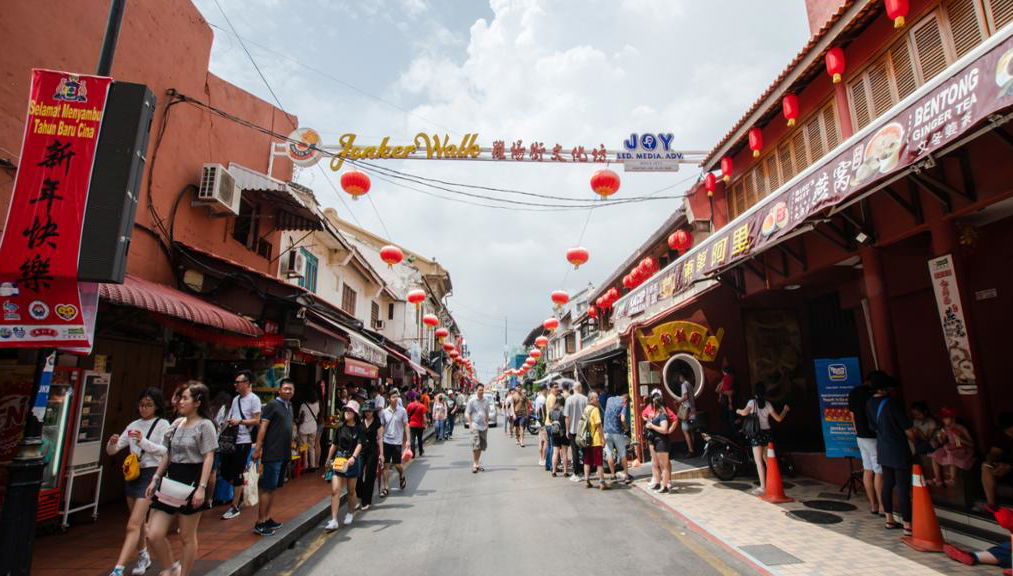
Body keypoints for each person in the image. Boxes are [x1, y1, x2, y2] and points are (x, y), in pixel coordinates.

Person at [145, 382, 217, 576]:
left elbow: (209, 457)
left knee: (186, 536)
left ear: (197, 402)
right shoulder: (176, 424)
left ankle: (183, 573)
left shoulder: (205, 425)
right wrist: (155, 478)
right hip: (171, 479)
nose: (180, 402)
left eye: (185, 398)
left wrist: (202, 487)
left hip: (192, 479)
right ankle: (171, 567)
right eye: (180, 398)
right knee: (154, 533)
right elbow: (167, 454)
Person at [106, 388, 170, 576]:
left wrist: (142, 441)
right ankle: (143, 555)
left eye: (148, 405)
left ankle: (119, 568)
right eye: (141, 405)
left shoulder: (163, 424)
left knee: (132, 524)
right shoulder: (133, 424)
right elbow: (113, 450)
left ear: (157, 406)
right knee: (139, 522)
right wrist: (112, 443)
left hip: (151, 473)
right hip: (133, 474)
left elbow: (164, 451)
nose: (144, 408)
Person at [865, 372, 914, 535]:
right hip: (898, 449)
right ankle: (907, 524)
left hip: (883, 448)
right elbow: (908, 429)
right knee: (903, 487)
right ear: (884, 388)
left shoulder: (869, 403)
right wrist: (917, 442)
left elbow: (872, 427)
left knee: (888, 484)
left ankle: (889, 519)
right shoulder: (892, 404)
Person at [252, 379, 294, 536]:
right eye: (285, 388)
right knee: (267, 488)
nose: (288, 391)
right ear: (279, 390)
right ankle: (260, 522)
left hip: (283, 453)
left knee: (273, 488)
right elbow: (263, 428)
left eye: (290, 389)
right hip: (272, 453)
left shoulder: (289, 406)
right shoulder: (272, 405)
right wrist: (258, 448)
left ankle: (267, 518)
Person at [221, 370, 262, 521]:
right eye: (236, 382)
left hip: (244, 440)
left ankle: (234, 506)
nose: (236, 385)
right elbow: (232, 415)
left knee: (237, 472)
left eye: (238, 382)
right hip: (232, 439)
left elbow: (257, 420)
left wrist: (240, 422)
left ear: (247, 383)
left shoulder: (254, 399)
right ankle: (240, 491)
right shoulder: (235, 399)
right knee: (225, 471)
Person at [737, 382, 790, 496]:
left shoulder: (752, 402)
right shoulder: (768, 404)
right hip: (767, 434)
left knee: (759, 462)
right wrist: (785, 410)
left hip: (756, 434)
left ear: (755, 392)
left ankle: (763, 487)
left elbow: (744, 413)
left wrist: (738, 411)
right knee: (768, 460)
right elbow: (779, 419)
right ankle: (773, 483)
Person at [324, 400, 365, 531]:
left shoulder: (360, 428)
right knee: (335, 490)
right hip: (339, 459)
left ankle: (350, 512)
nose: (347, 412)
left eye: (350, 410)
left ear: (355, 414)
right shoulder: (340, 427)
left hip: (352, 461)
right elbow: (334, 444)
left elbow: (360, 444)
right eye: (346, 410)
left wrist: (353, 457)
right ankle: (334, 520)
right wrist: (328, 459)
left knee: (351, 491)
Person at [848, 372, 883, 516]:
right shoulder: (872, 395)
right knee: (879, 471)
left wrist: (856, 429)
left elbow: (851, 414)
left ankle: (873, 505)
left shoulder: (853, 393)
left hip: (860, 436)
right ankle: (882, 506)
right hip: (872, 436)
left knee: (867, 470)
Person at [929, 407, 975, 487]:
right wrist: (939, 436)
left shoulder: (961, 428)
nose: (943, 420)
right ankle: (938, 479)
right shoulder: (945, 428)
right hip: (949, 447)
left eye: (946, 418)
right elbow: (942, 442)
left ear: (953, 418)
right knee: (935, 455)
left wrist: (961, 439)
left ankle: (953, 479)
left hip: (961, 448)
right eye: (943, 418)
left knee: (951, 454)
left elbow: (972, 444)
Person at [643, 390, 675, 493]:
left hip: (661, 440)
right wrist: (648, 422)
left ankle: (665, 484)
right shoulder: (654, 411)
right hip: (654, 440)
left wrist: (653, 426)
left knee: (664, 465)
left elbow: (665, 428)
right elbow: (643, 415)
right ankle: (658, 483)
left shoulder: (663, 414)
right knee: (656, 462)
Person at [355, 400, 383, 511]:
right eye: (366, 411)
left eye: (369, 411)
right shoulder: (360, 421)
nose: (367, 413)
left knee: (369, 476)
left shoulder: (377, 422)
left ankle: (366, 501)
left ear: (373, 411)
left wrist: (381, 454)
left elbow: (380, 439)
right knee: (358, 474)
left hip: (372, 450)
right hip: (361, 450)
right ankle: (360, 496)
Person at [381, 389, 409, 497]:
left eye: (397, 397)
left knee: (398, 465)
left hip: (397, 442)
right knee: (386, 465)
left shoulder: (402, 411)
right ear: (389, 399)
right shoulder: (384, 412)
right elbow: (382, 426)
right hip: (386, 441)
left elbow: (406, 425)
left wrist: (408, 440)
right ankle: (386, 488)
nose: (395, 399)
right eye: (393, 397)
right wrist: (380, 439)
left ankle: (401, 475)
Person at [982, 413, 1013, 510]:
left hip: (1010, 466)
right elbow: (994, 453)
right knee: (985, 466)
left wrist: (1010, 466)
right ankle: (991, 504)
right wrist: (991, 462)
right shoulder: (1001, 436)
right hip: (1005, 467)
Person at [603, 390, 633, 485]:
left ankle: (613, 475)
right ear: (626, 400)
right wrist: (626, 427)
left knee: (609, 454)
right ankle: (626, 476)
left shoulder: (610, 399)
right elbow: (622, 419)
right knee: (622, 454)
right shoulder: (624, 403)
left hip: (606, 431)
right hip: (617, 432)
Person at [582, 392, 608, 490]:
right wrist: (603, 439)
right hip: (595, 440)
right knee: (599, 462)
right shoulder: (595, 409)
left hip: (586, 439)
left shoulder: (586, 409)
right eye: (596, 398)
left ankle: (587, 481)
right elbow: (599, 426)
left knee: (587, 461)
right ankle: (602, 483)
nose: (598, 399)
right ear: (591, 400)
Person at [564, 382, 588, 481]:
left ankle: (576, 473)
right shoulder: (585, 399)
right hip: (584, 429)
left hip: (573, 429)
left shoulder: (569, 400)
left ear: (573, 389)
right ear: (580, 388)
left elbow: (567, 417)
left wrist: (567, 430)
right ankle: (587, 472)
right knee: (585, 451)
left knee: (575, 452)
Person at [466, 384, 490, 473]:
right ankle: (474, 464)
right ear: (476, 390)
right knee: (476, 445)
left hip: (483, 426)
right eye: (480, 390)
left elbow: (487, 413)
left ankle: (477, 462)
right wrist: (470, 423)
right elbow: (467, 413)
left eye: (482, 390)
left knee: (481, 446)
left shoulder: (486, 401)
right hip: (475, 425)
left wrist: (487, 424)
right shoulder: (472, 401)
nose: (481, 391)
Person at [297, 387, 320, 472]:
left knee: (304, 447)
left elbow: (301, 418)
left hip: (304, 428)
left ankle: (305, 465)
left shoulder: (303, 405)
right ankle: (312, 465)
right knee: (311, 447)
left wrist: (297, 421)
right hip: (313, 427)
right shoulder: (317, 404)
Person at [675, 370, 697, 457]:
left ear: (682, 376)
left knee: (685, 430)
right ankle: (694, 448)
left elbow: (685, 397)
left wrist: (677, 401)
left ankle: (690, 450)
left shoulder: (684, 385)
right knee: (691, 430)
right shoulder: (690, 384)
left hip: (686, 410)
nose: (679, 378)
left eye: (679, 376)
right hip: (692, 409)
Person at [715, 365, 736, 434]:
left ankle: (728, 433)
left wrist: (720, 395)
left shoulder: (725, 379)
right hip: (727, 400)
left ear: (724, 372)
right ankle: (732, 433)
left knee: (726, 418)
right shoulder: (731, 378)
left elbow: (719, 390)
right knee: (731, 418)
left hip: (725, 400)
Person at [543, 383, 559, 472]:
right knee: (553, 446)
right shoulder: (552, 397)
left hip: (548, 423)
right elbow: (552, 412)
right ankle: (552, 466)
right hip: (551, 424)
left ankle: (548, 464)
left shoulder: (549, 396)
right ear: (551, 389)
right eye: (555, 387)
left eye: (557, 387)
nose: (557, 389)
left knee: (550, 445)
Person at [406, 391, 427, 457]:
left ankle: (413, 453)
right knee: (419, 439)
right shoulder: (422, 406)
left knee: (412, 439)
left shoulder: (409, 405)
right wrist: (425, 424)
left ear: (415, 398)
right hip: (420, 425)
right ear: (420, 398)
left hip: (412, 425)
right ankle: (420, 451)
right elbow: (424, 417)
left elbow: (407, 414)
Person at [534, 384, 547, 466]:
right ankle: (543, 458)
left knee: (540, 441)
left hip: (538, 421)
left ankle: (540, 458)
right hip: (543, 422)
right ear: (544, 389)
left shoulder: (538, 398)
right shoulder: (543, 399)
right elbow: (543, 411)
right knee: (545, 441)